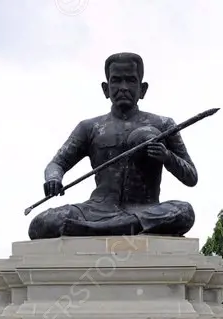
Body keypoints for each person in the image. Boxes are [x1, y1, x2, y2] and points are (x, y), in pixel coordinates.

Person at [28, 52, 198, 240]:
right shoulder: (90, 127)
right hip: (97, 211)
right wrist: (54, 179)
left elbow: (191, 177)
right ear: (105, 88)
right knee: (41, 224)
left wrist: (167, 157)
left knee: (184, 212)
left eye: (131, 80)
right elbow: (56, 164)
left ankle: (98, 229)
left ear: (142, 89)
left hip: (146, 210)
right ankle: (119, 227)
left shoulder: (164, 125)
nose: (123, 87)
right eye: (116, 81)